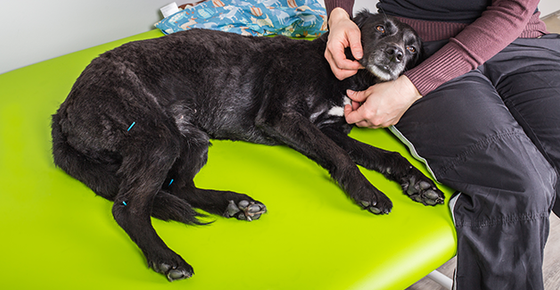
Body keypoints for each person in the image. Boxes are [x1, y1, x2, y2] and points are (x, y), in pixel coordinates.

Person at [322, 0, 560, 289]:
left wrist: (413, 87)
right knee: (520, 186)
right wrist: (338, 15)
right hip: (419, 49)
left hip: (518, 39)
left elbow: (514, 8)